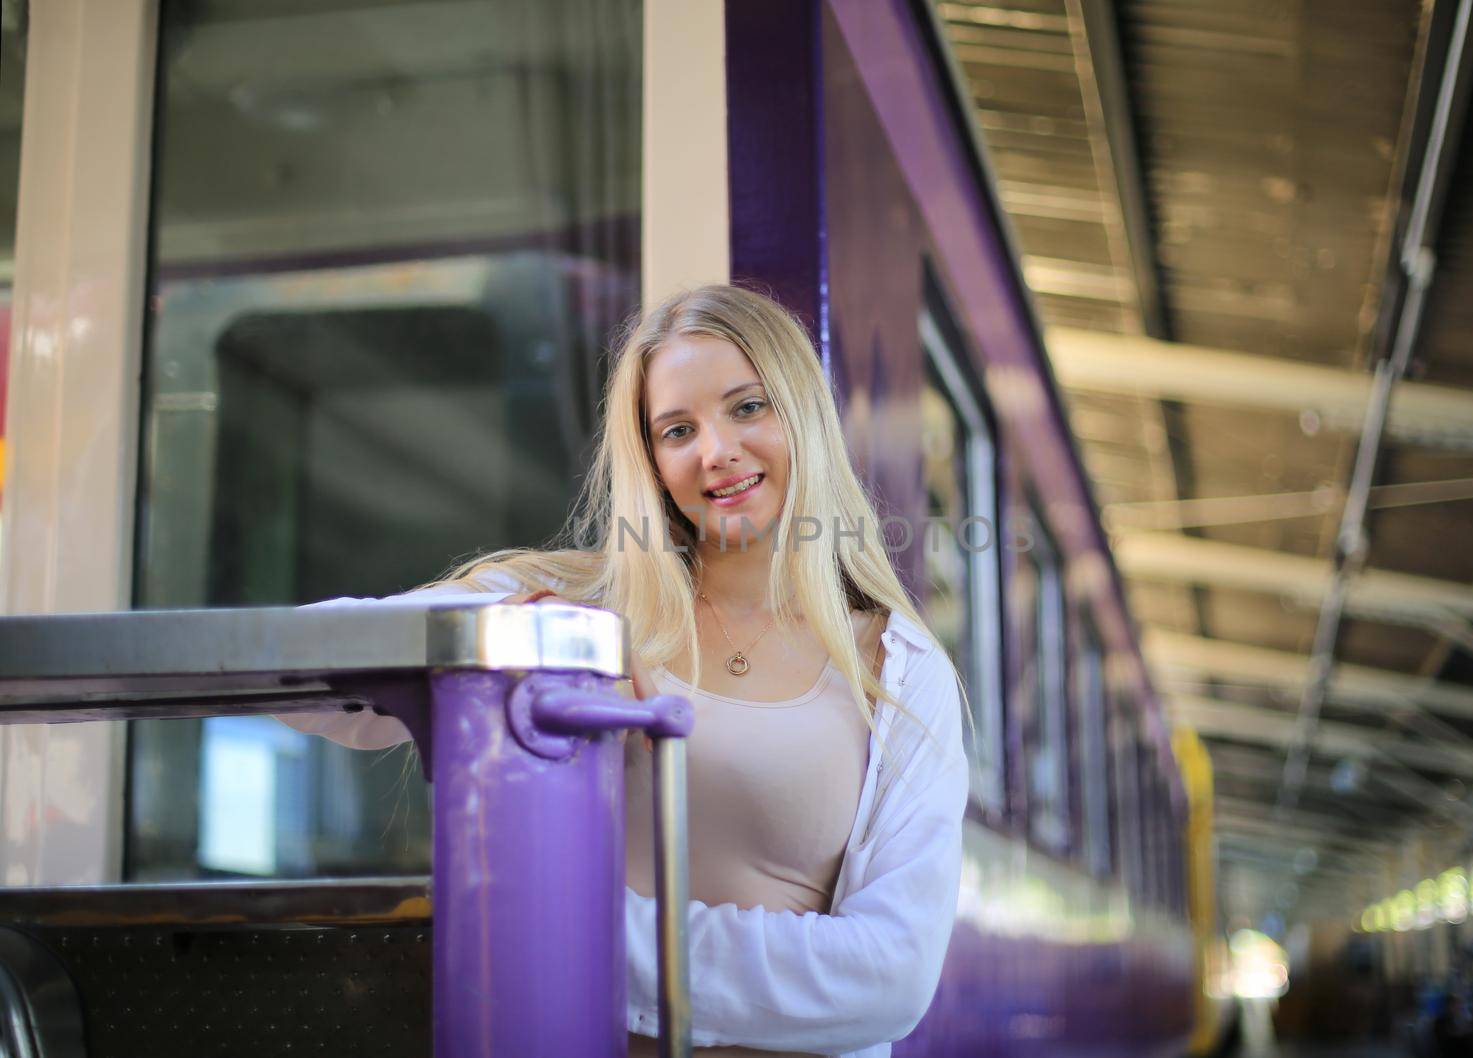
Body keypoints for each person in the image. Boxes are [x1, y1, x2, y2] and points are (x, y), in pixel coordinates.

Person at [280, 285, 971, 1057]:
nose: (715, 451)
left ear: (803, 415)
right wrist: (519, 640)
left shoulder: (898, 671)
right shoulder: (570, 608)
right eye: (678, 429)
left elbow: (890, 980)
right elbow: (301, 671)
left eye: (747, 408)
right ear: (652, 460)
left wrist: (563, 931)